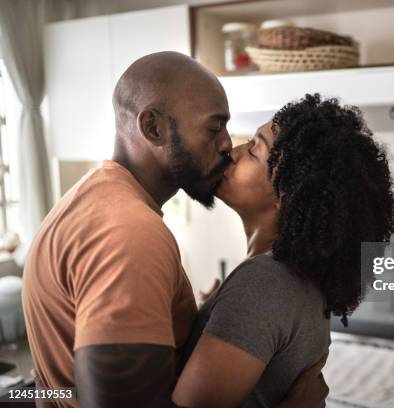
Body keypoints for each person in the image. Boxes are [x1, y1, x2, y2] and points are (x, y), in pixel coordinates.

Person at [22, 52, 328, 408]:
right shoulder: (130, 231)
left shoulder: (96, 199)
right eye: (214, 128)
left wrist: (198, 324)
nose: (229, 145)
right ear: (153, 127)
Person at [172, 94, 394, 407]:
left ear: (287, 194)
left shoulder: (264, 282)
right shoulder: (291, 280)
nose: (232, 152)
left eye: (253, 149)